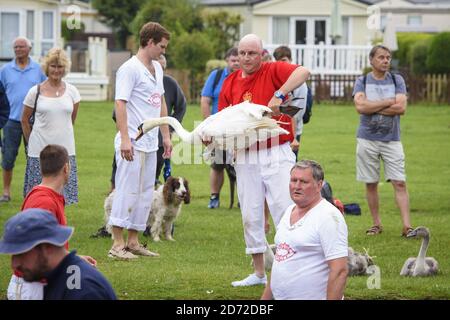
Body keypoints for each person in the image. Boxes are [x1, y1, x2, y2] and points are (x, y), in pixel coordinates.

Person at [218, 34, 310, 286]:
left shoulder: (273, 70)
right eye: (242, 53)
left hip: (276, 150)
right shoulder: (229, 82)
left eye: (252, 53)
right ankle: (259, 273)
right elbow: (223, 119)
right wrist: (220, 141)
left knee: (285, 209)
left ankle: (292, 268)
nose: (246, 58)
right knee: (251, 212)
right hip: (245, 153)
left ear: (262, 54)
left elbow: (304, 71)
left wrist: (280, 94)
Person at [108, 22, 172, 260]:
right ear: (149, 42)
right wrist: (125, 138)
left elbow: (161, 103)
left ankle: (134, 242)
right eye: (161, 46)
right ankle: (117, 245)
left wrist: (165, 136)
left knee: (145, 192)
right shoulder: (129, 69)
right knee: (126, 190)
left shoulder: (157, 67)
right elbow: (120, 103)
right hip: (131, 142)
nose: (163, 51)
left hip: (151, 143)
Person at [7, 144, 96, 300]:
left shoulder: (48, 196)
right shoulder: (43, 202)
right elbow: (37, 250)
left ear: (41, 169)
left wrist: (73, 258)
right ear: (66, 168)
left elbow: (47, 246)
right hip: (33, 287)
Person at [261, 160, 348, 300]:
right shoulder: (289, 210)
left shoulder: (328, 217)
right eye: (293, 180)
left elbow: (339, 270)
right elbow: (281, 260)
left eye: (303, 182)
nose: (296, 186)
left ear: (319, 185)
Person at [352, 45, 413, 237]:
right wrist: (388, 102)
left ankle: (407, 227)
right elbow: (360, 106)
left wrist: (372, 106)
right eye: (381, 57)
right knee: (371, 183)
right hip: (367, 139)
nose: (385, 60)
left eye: (388, 57)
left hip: (392, 140)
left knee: (400, 182)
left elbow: (401, 108)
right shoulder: (362, 81)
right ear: (371, 60)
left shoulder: (397, 80)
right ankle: (376, 224)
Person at [0, 209, 117, 300]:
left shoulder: (83, 291)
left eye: (21, 254)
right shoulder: (58, 276)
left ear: (47, 247)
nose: (14, 264)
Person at [21, 48, 80, 205]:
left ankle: (58, 226)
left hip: (65, 150)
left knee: (61, 197)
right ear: (47, 67)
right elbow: (25, 120)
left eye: (60, 66)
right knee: (38, 197)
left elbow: (71, 120)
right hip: (39, 151)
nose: (56, 70)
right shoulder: (35, 92)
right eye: (53, 66)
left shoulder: (73, 91)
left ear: (65, 68)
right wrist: (31, 142)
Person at [0, 36, 46, 202]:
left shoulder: (38, 69)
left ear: (29, 49)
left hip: (33, 122)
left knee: (33, 157)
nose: (18, 49)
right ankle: (6, 192)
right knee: (8, 157)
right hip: (10, 121)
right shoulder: (5, 70)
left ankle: (33, 192)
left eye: (21, 47)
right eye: (16, 47)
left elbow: (45, 91)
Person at [201, 47, 239, 209]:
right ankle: (214, 197)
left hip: (239, 130)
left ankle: (242, 199)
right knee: (217, 165)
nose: (236, 63)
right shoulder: (216, 76)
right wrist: (208, 125)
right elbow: (205, 100)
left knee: (241, 165)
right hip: (218, 130)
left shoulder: (246, 77)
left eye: (238, 60)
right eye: (233, 60)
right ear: (227, 61)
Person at [155, 54, 186, 185]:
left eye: (163, 68)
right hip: (139, 136)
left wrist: (170, 127)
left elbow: (181, 106)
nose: (160, 71)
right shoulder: (140, 80)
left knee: (153, 174)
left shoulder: (169, 83)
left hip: (160, 138)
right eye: (157, 67)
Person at [273, 45, 307, 159]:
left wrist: (293, 137)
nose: (281, 64)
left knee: (289, 165)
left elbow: (297, 110)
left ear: (290, 60)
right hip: (275, 131)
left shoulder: (299, 81)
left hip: (293, 131)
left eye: (284, 60)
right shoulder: (275, 77)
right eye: (278, 61)